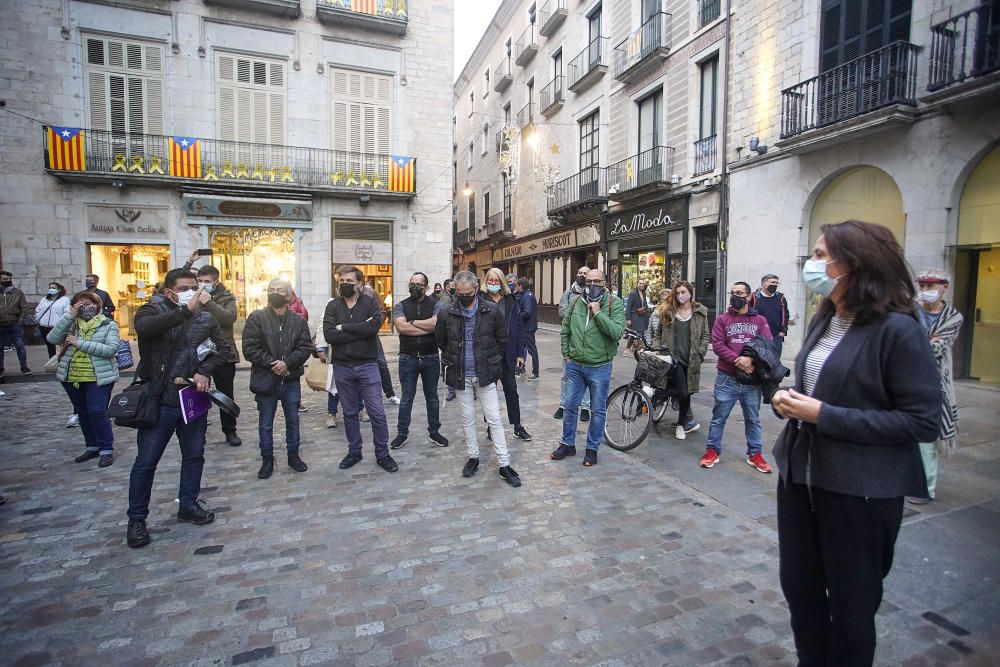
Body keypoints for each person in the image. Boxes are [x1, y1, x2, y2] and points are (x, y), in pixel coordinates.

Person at [771, 220, 940, 666]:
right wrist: (787, 401)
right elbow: (814, 385)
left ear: (854, 263)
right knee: (802, 597)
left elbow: (922, 421)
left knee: (850, 612)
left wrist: (824, 415)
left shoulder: (898, 329)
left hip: (859, 493)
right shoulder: (826, 315)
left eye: (822, 255)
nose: (813, 263)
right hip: (800, 480)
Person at [125, 268, 233, 549]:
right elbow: (146, 330)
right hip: (159, 400)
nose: (192, 291)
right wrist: (185, 310)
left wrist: (204, 370)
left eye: (194, 287)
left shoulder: (206, 318)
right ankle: (137, 519)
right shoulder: (150, 311)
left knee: (194, 456)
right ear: (169, 291)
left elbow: (222, 350)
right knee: (146, 462)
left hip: (191, 399)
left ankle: (188, 503)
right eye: (185, 287)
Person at [436, 271, 521, 487]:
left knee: (494, 418)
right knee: (467, 418)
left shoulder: (491, 311)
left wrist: (491, 360)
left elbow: (502, 340)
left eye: (468, 293)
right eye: (459, 293)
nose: (463, 296)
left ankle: (504, 464)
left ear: (475, 289)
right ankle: (473, 457)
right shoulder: (447, 313)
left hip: (486, 372)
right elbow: (441, 341)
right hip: (461, 373)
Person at [324, 266, 398, 473]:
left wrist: (345, 327)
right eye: (342, 280)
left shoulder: (370, 303)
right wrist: (360, 329)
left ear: (359, 284)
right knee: (349, 412)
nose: (344, 284)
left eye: (349, 280)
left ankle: (382, 453)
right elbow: (330, 335)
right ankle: (354, 451)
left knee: (377, 412)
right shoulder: (333, 306)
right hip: (342, 367)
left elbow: (373, 327)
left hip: (367, 365)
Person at [552, 268, 625, 467]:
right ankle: (567, 444)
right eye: (589, 281)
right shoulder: (575, 302)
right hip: (575, 365)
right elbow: (565, 330)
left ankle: (592, 449)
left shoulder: (614, 304)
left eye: (597, 281)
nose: (592, 285)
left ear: (604, 284)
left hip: (600, 366)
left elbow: (617, 332)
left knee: (598, 410)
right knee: (569, 406)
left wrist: (598, 313)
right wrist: (567, 354)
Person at [242, 278, 313, 479]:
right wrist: (273, 364)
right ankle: (267, 459)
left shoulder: (298, 320)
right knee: (265, 423)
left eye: (280, 290)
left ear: (289, 294)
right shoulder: (256, 318)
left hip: (290, 380)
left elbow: (305, 347)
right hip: (266, 379)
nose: (275, 292)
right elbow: (250, 348)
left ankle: (293, 456)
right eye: (272, 289)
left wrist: (287, 363)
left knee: (293, 420)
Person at [702, 281, 774, 472]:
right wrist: (737, 360)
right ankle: (712, 450)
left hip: (751, 379)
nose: (736, 296)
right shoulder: (722, 319)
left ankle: (755, 454)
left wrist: (750, 360)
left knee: (753, 418)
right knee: (719, 417)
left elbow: (766, 344)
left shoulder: (760, 321)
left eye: (740, 293)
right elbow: (718, 344)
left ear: (750, 296)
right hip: (727, 377)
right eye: (733, 292)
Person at [908, 268, 963, 505]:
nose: (925, 291)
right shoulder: (910, 310)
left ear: (945, 288)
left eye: (931, 286)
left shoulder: (953, 317)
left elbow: (936, 348)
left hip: (934, 383)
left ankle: (925, 488)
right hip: (903, 380)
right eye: (922, 286)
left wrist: (908, 342)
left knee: (926, 439)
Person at [48, 291, 120, 467]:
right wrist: (68, 317)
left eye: (89, 304)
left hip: (98, 376)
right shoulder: (71, 324)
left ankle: (106, 449)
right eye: (81, 305)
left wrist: (79, 342)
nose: (86, 308)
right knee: (83, 412)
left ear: (97, 305)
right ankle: (92, 446)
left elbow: (110, 349)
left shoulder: (108, 324)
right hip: (72, 376)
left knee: (97, 411)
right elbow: (52, 338)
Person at [390, 272, 449, 449]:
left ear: (427, 287)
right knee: (407, 397)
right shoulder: (400, 305)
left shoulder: (436, 305)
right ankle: (402, 433)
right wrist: (426, 326)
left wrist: (413, 322)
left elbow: (437, 324)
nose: (415, 286)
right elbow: (401, 327)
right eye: (412, 283)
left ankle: (434, 432)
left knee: (432, 397)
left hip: (430, 357)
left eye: (419, 284)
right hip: (407, 358)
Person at [654, 281, 710, 440]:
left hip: (691, 359)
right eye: (677, 293)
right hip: (673, 359)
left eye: (683, 292)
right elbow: (658, 332)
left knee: (688, 393)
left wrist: (700, 352)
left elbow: (705, 335)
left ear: (690, 293)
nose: (680, 296)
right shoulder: (669, 311)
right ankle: (679, 424)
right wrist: (657, 349)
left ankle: (682, 423)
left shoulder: (700, 312)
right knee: (683, 392)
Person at [481, 268, 532, 441]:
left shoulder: (510, 300)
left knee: (511, 391)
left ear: (502, 282)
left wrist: (520, 353)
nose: (493, 283)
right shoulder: (480, 299)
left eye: (497, 280)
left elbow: (518, 327)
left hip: (508, 353)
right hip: (488, 355)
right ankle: (490, 426)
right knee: (489, 392)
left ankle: (517, 425)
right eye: (491, 280)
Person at [195, 266, 242, 446]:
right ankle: (198, 432)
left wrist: (209, 303)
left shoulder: (226, 297)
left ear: (215, 281)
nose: (203, 284)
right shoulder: (193, 295)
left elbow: (228, 318)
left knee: (225, 393)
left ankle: (230, 430)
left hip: (223, 353)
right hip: (199, 352)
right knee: (198, 393)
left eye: (207, 281)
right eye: (201, 280)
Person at [554, 265, 591, 420]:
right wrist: (575, 312)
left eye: (585, 273)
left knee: (587, 377)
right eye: (579, 272)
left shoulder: (594, 294)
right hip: (571, 340)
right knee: (566, 376)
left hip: (589, 342)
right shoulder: (568, 293)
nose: (581, 275)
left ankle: (585, 408)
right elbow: (562, 312)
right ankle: (563, 405)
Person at [361, 284, 400, 415]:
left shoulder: (370, 292)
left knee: (381, 364)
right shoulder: (344, 297)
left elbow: (382, 311)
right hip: (353, 336)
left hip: (371, 334)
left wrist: (374, 325)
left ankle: (390, 394)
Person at [314, 297, 341, 429]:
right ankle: (332, 413)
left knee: (357, 384)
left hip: (356, 350)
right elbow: (322, 325)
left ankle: (360, 409)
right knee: (334, 384)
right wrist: (321, 347)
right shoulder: (332, 303)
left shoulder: (363, 302)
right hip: (336, 349)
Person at [749, 274, 789, 358]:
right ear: (764, 284)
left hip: (776, 336)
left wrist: (783, 331)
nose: (775, 285)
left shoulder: (780, 298)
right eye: (773, 282)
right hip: (758, 336)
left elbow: (785, 315)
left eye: (777, 283)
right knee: (759, 360)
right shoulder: (754, 297)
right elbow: (748, 314)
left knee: (775, 361)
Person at [0, 270, 31, 377]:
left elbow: (24, 307)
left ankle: (24, 366)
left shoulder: (17, 292)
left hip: (14, 323)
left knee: (20, 346)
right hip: (1, 324)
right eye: (5, 279)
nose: (8, 281)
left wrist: (20, 321)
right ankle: (1, 368)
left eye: (9, 279)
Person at [36, 282, 70, 358]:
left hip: (56, 327)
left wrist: (60, 322)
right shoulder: (44, 299)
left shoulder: (64, 300)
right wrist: (39, 319)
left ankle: (59, 361)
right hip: (44, 326)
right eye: (50, 288)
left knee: (59, 347)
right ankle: (52, 362)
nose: (51, 289)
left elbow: (67, 312)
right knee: (50, 347)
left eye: (53, 288)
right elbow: (38, 310)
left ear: (59, 290)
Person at [517, 277, 540, 380]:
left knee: (532, 350)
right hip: (527, 327)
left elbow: (527, 312)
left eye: (518, 286)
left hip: (528, 327)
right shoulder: (528, 295)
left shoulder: (527, 296)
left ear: (521, 286)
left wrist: (517, 316)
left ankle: (535, 372)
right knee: (520, 349)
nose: (517, 288)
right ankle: (519, 369)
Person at [625, 279, 651, 356]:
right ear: (637, 284)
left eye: (643, 283)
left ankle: (634, 349)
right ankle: (627, 350)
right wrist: (628, 318)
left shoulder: (643, 293)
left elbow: (645, 304)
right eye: (640, 283)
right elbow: (628, 306)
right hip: (634, 315)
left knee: (638, 333)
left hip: (641, 315)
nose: (641, 285)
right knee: (636, 333)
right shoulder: (633, 293)